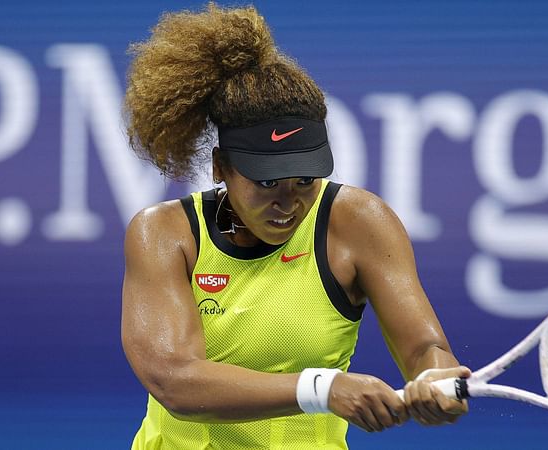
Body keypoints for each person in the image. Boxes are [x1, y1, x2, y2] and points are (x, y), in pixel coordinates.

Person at [120, 3, 469, 449]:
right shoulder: (165, 233)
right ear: (220, 168)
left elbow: (425, 350)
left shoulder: (359, 223)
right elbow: (175, 380)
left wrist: (435, 377)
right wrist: (322, 389)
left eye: (305, 179)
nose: (288, 202)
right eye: (266, 182)